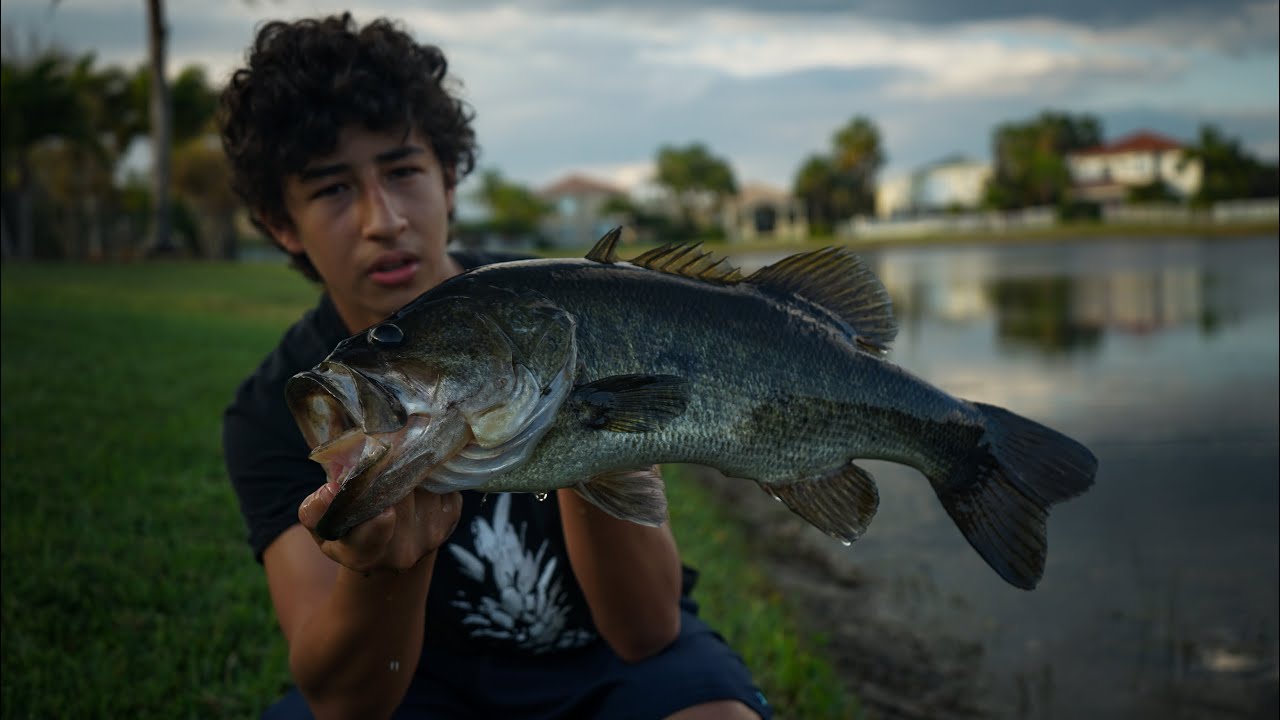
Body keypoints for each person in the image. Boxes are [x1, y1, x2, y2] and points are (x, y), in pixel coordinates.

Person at [219, 13, 771, 720]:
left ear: (449, 180)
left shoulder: (566, 315)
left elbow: (644, 632)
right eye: (331, 189)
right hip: (422, 683)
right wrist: (389, 567)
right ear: (280, 225)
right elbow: (347, 704)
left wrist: (583, 430)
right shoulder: (273, 411)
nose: (382, 219)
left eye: (403, 170)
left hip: (600, 661)